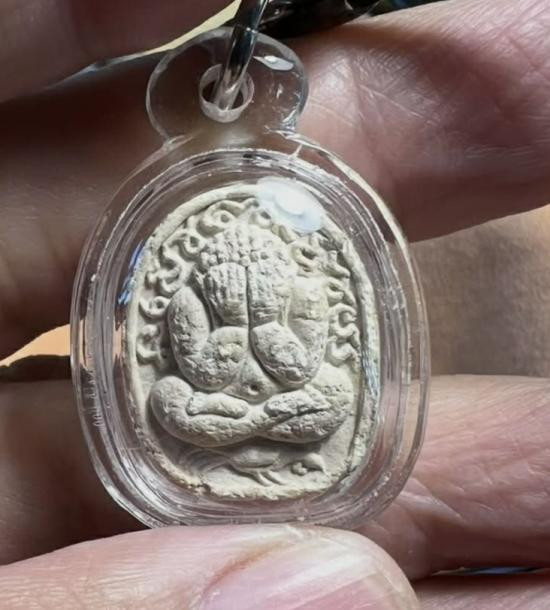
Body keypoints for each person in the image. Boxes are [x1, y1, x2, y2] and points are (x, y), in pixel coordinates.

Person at [0, 0, 548, 607]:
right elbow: (197, 372)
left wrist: (263, 325)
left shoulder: (303, 293)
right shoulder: (191, 301)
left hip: (283, 406)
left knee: (337, 391)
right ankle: (245, 431)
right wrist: (232, 325)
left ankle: (248, 430)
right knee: (165, 398)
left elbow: (304, 367)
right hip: (215, 406)